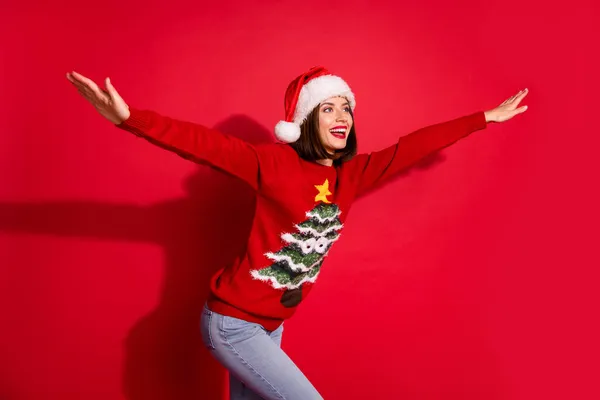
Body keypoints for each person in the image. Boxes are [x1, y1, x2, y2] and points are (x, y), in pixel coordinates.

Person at [66, 66, 528, 399]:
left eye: (345, 105)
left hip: (271, 327)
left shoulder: (356, 174)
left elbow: (411, 147)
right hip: (233, 323)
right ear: (308, 120)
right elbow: (204, 144)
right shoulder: (272, 163)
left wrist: (482, 118)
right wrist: (131, 119)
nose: (341, 114)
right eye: (328, 107)